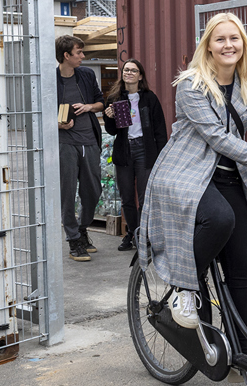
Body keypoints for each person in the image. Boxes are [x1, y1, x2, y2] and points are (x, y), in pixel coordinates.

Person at [138, 13, 247, 348]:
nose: (229, 45)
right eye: (220, 39)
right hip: (187, 173)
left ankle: (238, 352)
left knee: (241, 267)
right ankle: (184, 287)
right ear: (208, 47)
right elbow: (219, 139)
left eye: (235, 38)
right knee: (220, 218)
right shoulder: (191, 85)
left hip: (228, 177)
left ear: (243, 44)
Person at [103, 59, 168, 251]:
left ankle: (142, 234)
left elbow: (160, 130)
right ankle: (132, 232)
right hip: (124, 151)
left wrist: (161, 156)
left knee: (145, 195)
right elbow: (113, 131)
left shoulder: (149, 98)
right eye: (126, 70)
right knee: (127, 198)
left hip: (145, 150)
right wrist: (109, 117)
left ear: (140, 76)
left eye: (133, 70)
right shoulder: (115, 98)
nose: (128, 73)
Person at [56, 35, 105, 262]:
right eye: (79, 53)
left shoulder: (86, 75)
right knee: (67, 192)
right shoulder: (50, 79)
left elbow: (100, 103)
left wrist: (88, 107)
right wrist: (58, 123)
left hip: (90, 140)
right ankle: (74, 239)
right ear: (66, 55)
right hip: (65, 143)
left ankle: (83, 228)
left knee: (93, 190)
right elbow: (40, 112)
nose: (83, 57)